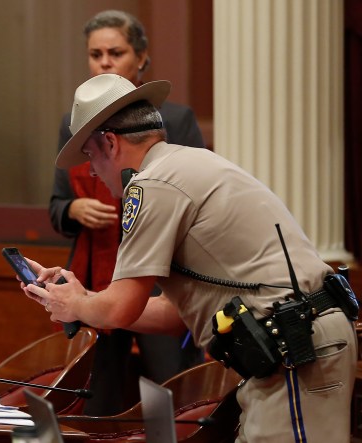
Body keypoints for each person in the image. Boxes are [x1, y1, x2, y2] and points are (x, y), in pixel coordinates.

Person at [24, 73, 357, 442]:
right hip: (293, 340)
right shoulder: (184, 164)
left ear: (110, 143)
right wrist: (82, 298)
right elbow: (172, 314)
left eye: (89, 156)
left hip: (294, 346)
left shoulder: (151, 184)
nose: (91, 171)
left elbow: (120, 309)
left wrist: (77, 305)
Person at [48, 9, 205, 415]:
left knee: (169, 391)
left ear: (140, 58)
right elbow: (56, 206)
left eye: (114, 53)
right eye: (95, 54)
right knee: (93, 395)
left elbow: (188, 200)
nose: (104, 62)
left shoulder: (174, 119)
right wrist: (74, 208)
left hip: (158, 280)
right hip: (95, 270)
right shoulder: (74, 122)